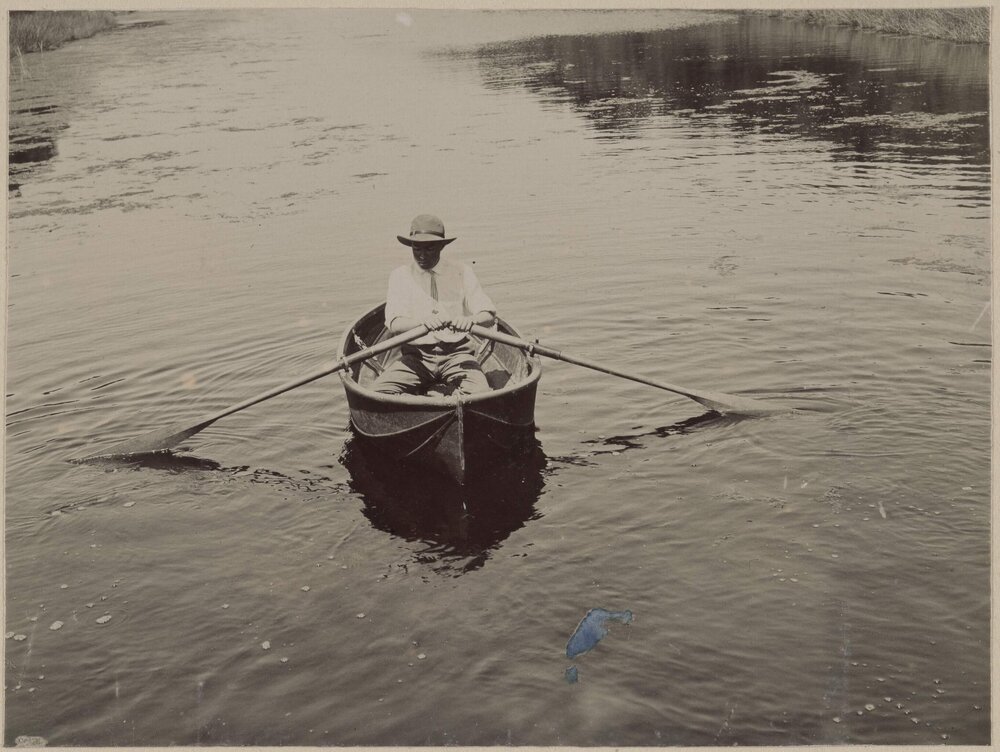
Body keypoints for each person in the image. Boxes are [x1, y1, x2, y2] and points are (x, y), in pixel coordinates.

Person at [371, 214, 497, 395]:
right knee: (377, 394)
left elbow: (490, 316)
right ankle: (440, 396)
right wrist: (422, 322)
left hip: (457, 355)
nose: (422, 255)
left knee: (480, 394)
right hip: (416, 358)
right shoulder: (400, 276)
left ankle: (436, 394)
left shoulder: (462, 272)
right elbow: (394, 323)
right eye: (417, 248)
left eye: (429, 249)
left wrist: (472, 321)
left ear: (441, 246)